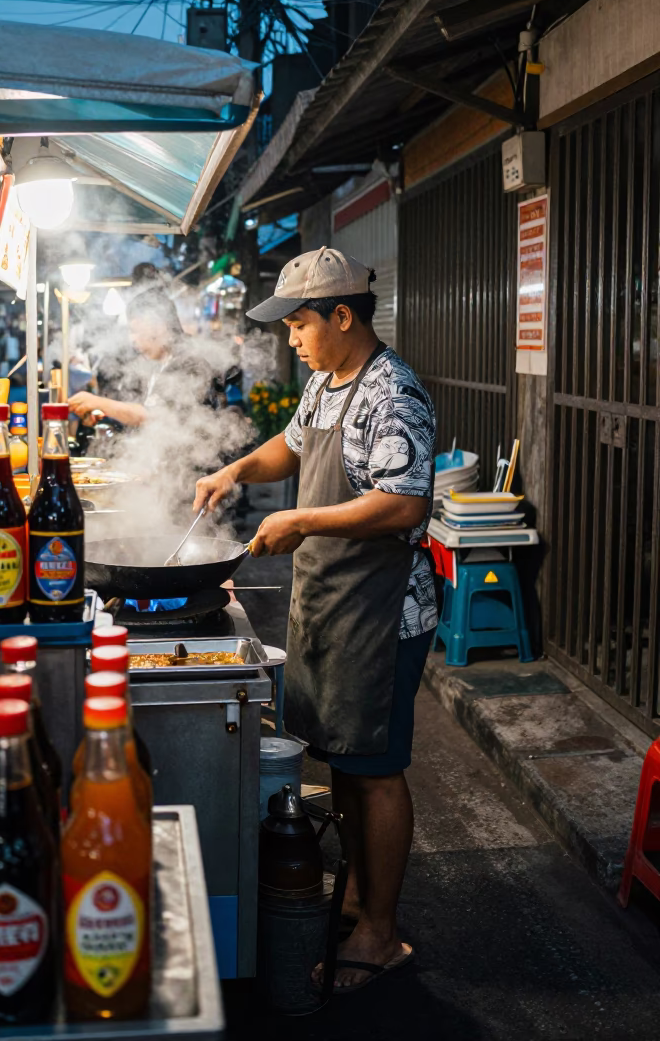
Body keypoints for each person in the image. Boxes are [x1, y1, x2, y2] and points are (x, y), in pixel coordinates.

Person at [193, 247, 437, 994]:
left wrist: (302, 518)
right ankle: (359, 896)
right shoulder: (326, 384)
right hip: (330, 601)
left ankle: (381, 930)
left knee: (376, 769)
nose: (290, 339)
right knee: (344, 761)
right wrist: (236, 468)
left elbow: (404, 503)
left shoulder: (392, 394)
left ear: (342, 315)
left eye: (299, 323)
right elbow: (290, 447)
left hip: (381, 610)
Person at [68, 289, 200, 428]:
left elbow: (160, 417)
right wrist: (109, 412)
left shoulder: (189, 362)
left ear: (158, 328)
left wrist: (101, 403)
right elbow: (145, 408)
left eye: (135, 331)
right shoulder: (160, 363)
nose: (132, 339)